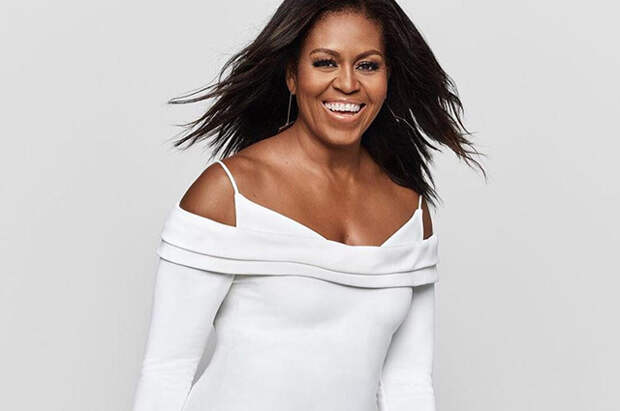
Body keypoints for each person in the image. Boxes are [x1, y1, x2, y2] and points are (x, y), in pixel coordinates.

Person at [132, 1, 484, 410]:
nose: (347, 83)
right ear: (292, 75)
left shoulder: (410, 213)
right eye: (325, 62)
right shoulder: (228, 196)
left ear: (388, 76)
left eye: (368, 65)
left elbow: (408, 384)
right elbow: (166, 371)